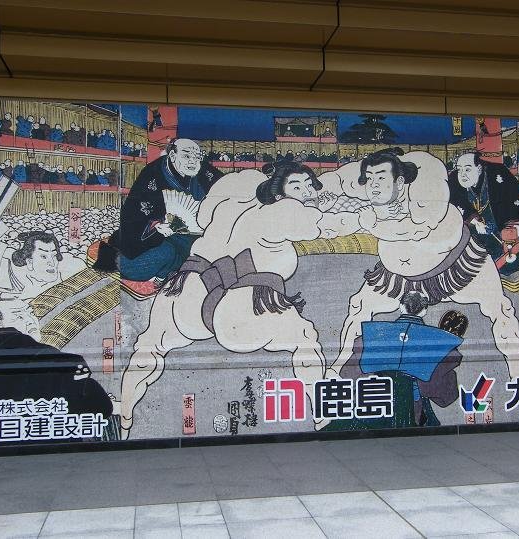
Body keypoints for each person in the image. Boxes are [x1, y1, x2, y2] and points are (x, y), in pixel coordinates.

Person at [118, 161, 360, 439]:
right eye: (296, 186)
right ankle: (320, 413)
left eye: (309, 185)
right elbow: (332, 224)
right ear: (277, 192)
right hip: (239, 300)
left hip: (188, 289)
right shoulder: (284, 209)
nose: (306, 191)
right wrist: (370, 217)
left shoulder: (231, 197)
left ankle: (125, 419)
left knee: (149, 348)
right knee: (305, 337)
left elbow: (205, 218)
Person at [326, 149, 519, 386]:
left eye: (380, 177)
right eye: (369, 178)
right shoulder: (371, 199)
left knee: (501, 308)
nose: (374, 184)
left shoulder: (427, 183)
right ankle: (335, 368)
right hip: (397, 276)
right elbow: (334, 184)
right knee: (358, 304)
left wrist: (369, 222)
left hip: (458, 265)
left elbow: (418, 228)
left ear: (400, 181)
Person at [0, 299, 115, 445]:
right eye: (19, 316)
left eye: (30, 313)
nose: (30, 320)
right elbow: (101, 406)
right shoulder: (49, 358)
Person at [93, 138, 223, 282]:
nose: (193, 161)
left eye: (197, 157)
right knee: (159, 256)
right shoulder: (152, 175)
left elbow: (226, 186)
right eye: (186, 156)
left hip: (193, 234)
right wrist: (158, 225)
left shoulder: (203, 170)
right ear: (172, 155)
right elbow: (136, 214)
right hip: (156, 237)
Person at [339, 291, 467, 428]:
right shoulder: (437, 344)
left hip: (374, 410)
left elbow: (346, 374)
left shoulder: (373, 335)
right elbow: (447, 397)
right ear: (424, 310)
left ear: (401, 306)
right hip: (412, 416)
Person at [448, 152, 519, 268]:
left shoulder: (497, 175)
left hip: (502, 223)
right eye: (459, 169)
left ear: (479, 168)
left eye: (467, 169)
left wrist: (507, 228)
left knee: (516, 251)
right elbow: (456, 203)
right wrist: (475, 220)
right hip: (477, 229)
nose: (462, 174)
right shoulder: (455, 180)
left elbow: (512, 203)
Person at [0, 229, 85, 300]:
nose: (52, 263)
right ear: (29, 262)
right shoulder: (10, 278)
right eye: (43, 256)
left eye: (54, 256)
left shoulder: (70, 271)